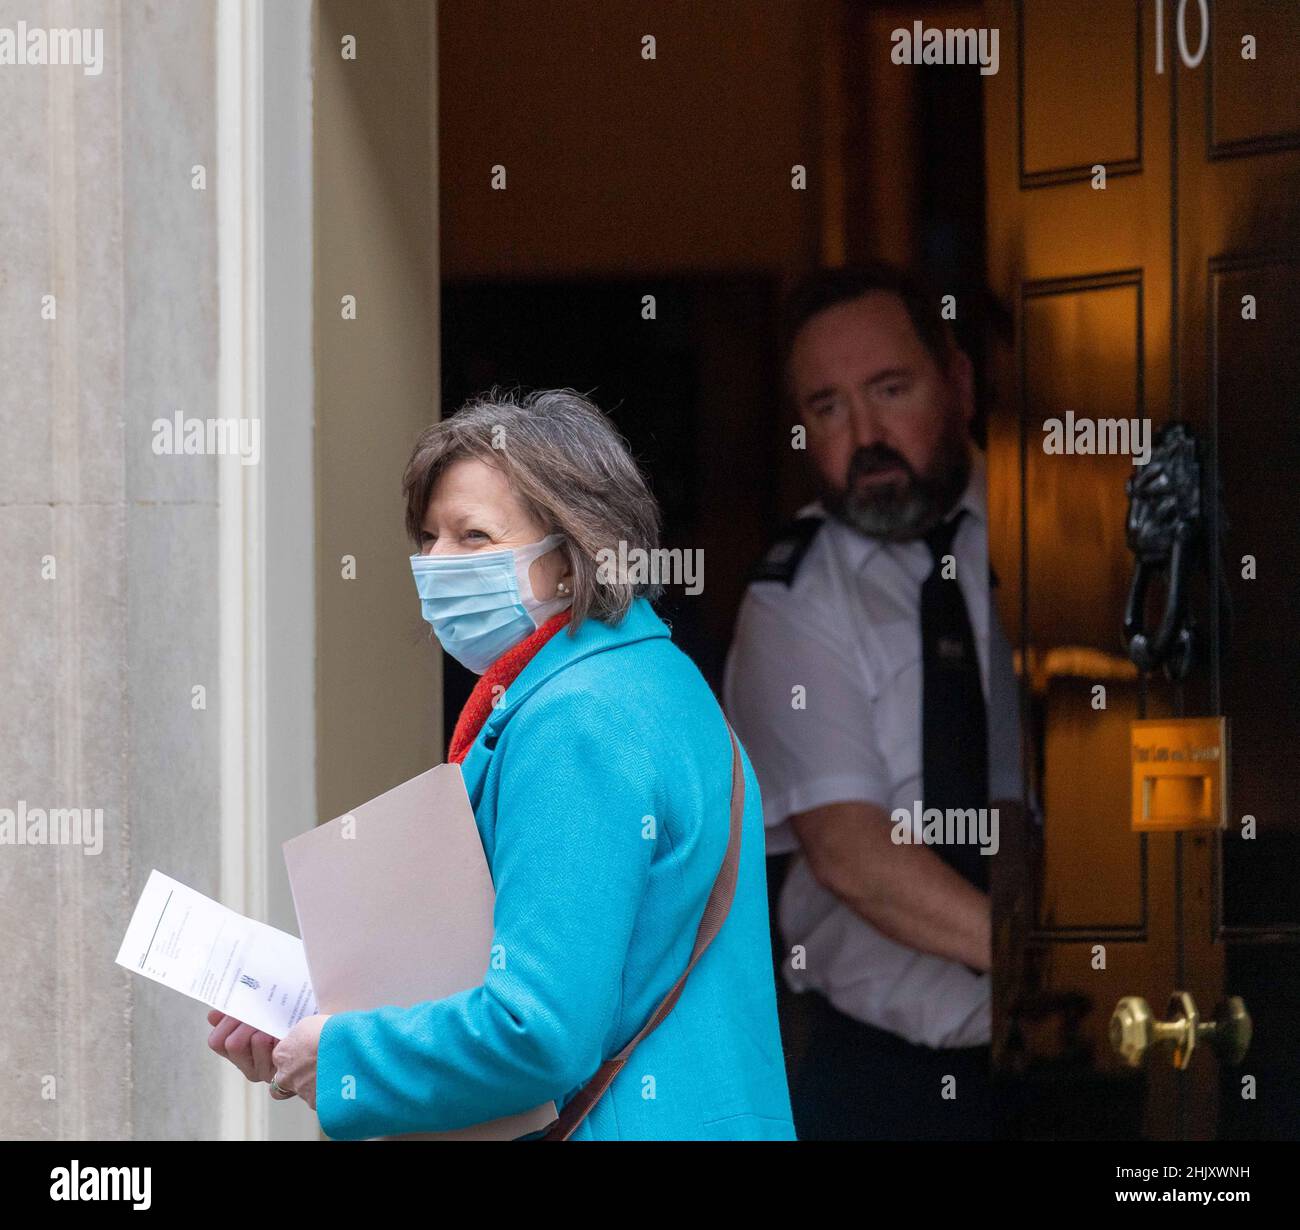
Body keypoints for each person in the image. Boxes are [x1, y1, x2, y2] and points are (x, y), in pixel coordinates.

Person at [208, 387, 796, 1141]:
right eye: (427, 537)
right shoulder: (657, 679)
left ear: (570, 555)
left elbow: (539, 1028)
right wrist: (320, 1021)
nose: (435, 564)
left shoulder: (577, 717)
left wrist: (346, 1054)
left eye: (473, 537)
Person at [723, 263, 1021, 1140]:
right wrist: (1047, 970)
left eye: (890, 389)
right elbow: (853, 856)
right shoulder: (791, 600)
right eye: (827, 408)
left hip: (1095, 1054)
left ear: (958, 382)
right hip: (887, 1081)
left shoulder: (1060, 532)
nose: (865, 435)